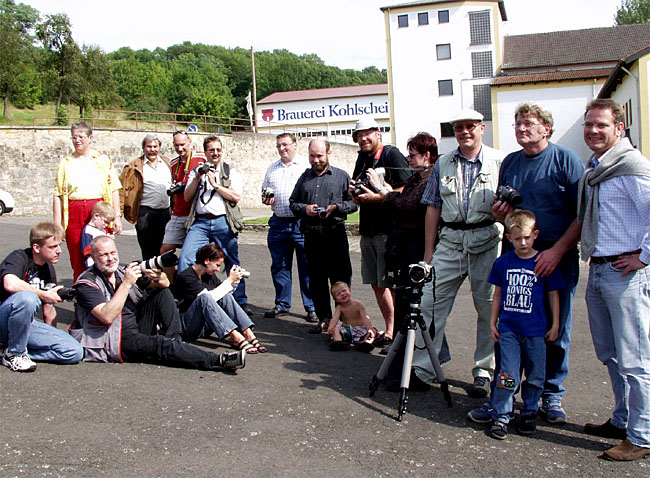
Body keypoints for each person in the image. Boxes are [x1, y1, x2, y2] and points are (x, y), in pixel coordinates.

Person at [491, 102, 584, 423]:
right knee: (510, 333)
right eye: (517, 123)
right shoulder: (511, 163)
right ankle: (502, 396)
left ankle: (550, 396)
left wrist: (557, 251)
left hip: (555, 255)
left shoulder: (566, 160)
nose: (521, 128)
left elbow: (582, 214)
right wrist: (499, 216)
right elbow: (503, 213)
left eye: (528, 123)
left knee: (555, 329)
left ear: (546, 128)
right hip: (516, 257)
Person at [577, 98, 650, 461]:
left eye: (601, 125)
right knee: (611, 354)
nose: (593, 131)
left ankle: (643, 436)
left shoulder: (632, 166)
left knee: (636, 359)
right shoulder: (598, 169)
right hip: (599, 267)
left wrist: (644, 256)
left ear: (619, 129)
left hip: (626, 274)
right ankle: (622, 420)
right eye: (589, 124)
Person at [418, 109, 506, 398]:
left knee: (488, 308)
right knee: (429, 303)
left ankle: (483, 371)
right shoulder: (443, 163)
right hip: (451, 241)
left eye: (470, 126)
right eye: (458, 128)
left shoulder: (500, 161)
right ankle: (423, 368)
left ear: (482, 128)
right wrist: (428, 253)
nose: (464, 132)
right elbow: (433, 207)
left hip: (487, 242)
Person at [71, 236, 244, 371]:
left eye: (113, 253)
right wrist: (126, 284)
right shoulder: (87, 283)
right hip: (115, 338)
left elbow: (165, 285)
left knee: (162, 293)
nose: (110, 259)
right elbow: (106, 317)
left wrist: (160, 277)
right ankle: (218, 360)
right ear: (93, 257)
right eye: (104, 255)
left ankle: (176, 342)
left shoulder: (122, 271)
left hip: (137, 324)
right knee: (161, 345)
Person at [482, 210, 563, 440]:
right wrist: (492, 321)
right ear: (509, 238)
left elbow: (553, 295)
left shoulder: (543, 262)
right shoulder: (503, 263)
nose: (523, 242)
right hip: (509, 330)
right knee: (507, 374)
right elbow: (497, 294)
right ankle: (501, 414)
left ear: (535, 234)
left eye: (527, 237)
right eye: (517, 239)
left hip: (536, 331)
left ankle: (529, 411)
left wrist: (555, 324)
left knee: (536, 375)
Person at [350, 117, 412, 345]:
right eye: (359, 135)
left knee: (389, 283)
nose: (363, 138)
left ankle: (396, 334)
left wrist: (377, 197)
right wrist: (354, 193)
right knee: (377, 283)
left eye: (368, 133)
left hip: (388, 231)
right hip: (368, 230)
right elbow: (359, 187)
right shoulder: (362, 158)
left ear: (378, 134)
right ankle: (390, 329)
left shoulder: (391, 154)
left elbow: (407, 187)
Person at [289, 139, 357, 333]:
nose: (316, 160)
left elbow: (353, 203)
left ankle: (344, 320)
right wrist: (306, 209)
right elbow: (293, 202)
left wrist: (337, 207)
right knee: (317, 280)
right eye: (312, 155)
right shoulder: (304, 178)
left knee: (341, 279)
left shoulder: (341, 176)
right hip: (311, 235)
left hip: (335, 233)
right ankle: (324, 319)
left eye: (320, 155)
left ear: (328, 153)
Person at [177, 135, 251, 315]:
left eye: (218, 150)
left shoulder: (229, 171)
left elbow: (235, 197)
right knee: (186, 258)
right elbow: (187, 197)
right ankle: (191, 297)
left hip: (222, 221)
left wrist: (215, 185)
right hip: (201, 222)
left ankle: (239, 300)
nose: (215, 153)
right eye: (211, 150)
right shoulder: (196, 172)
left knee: (232, 261)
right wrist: (197, 177)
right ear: (205, 152)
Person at [0, 222, 83, 372]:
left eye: (59, 246)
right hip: (3, 321)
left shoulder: (48, 268)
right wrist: (43, 294)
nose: (59, 251)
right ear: (36, 248)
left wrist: (52, 334)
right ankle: (15, 353)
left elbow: (49, 309)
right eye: (52, 247)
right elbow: (10, 284)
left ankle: (8, 351)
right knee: (27, 298)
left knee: (74, 351)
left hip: (23, 326)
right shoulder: (19, 257)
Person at [53, 120, 122, 280]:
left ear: (90, 137)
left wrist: (117, 215)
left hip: (99, 210)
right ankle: (81, 291)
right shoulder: (66, 163)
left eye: (80, 137)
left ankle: (106, 290)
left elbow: (114, 189)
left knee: (103, 254)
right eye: (74, 137)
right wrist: (58, 224)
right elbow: (57, 195)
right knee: (78, 257)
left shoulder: (102, 160)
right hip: (74, 212)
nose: (77, 140)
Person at [261, 133, 315, 322]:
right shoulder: (272, 169)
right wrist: (266, 198)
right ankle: (282, 304)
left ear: (294, 145)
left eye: (285, 144)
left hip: (302, 223)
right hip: (279, 222)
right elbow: (265, 192)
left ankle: (311, 307)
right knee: (280, 267)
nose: (282, 148)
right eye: (279, 145)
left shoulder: (306, 167)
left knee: (307, 267)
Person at [175, 243, 267, 354]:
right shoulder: (186, 276)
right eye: (217, 265)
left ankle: (248, 333)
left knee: (225, 296)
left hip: (205, 326)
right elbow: (208, 299)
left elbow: (221, 295)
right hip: (187, 326)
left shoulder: (208, 274)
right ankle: (236, 337)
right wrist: (229, 281)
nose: (218, 270)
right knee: (205, 297)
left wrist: (234, 282)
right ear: (207, 261)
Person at [120, 134, 173, 260]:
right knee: (148, 248)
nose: (152, 149)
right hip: (145, 213)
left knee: (165, 248)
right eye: (149, 146)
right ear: (143, 148)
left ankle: (163, 276)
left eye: (155, 146)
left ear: (160, 147)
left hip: (166, 212)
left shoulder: (168, 163)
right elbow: (122, 189)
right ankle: (150, 276)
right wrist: (118, 214)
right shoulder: (134, 167)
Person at [160, 131, 205, 255]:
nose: (180, 149)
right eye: (176, 145)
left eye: (183, 144)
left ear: (190, 142)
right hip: (179, 211)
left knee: (196, 252)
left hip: (196, 211)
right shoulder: (174, 163)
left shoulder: (201, 157)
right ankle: (171, 274)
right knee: (165, 249)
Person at [327, 281, 376, 353]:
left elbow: (365, 318)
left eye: (344, 291)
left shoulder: (358, 304)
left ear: (350, 290)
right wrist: (331, 327)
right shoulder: (339, 307)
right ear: (336, 299)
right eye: (338, 294)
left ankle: (366, 343)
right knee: (336, 329)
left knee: (373, 331)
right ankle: (339, 343)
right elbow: (335, 319)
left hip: (360, 329)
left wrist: (369, 329)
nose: (342, 294)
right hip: (347, 330)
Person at [80, 201, 115, 268]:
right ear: (96, 216)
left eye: (108, 223)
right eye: (105, 222)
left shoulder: (102, 230)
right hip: (92, 265)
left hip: (104, 263)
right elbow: (86, 251)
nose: (106, 225)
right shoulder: (88, 232)